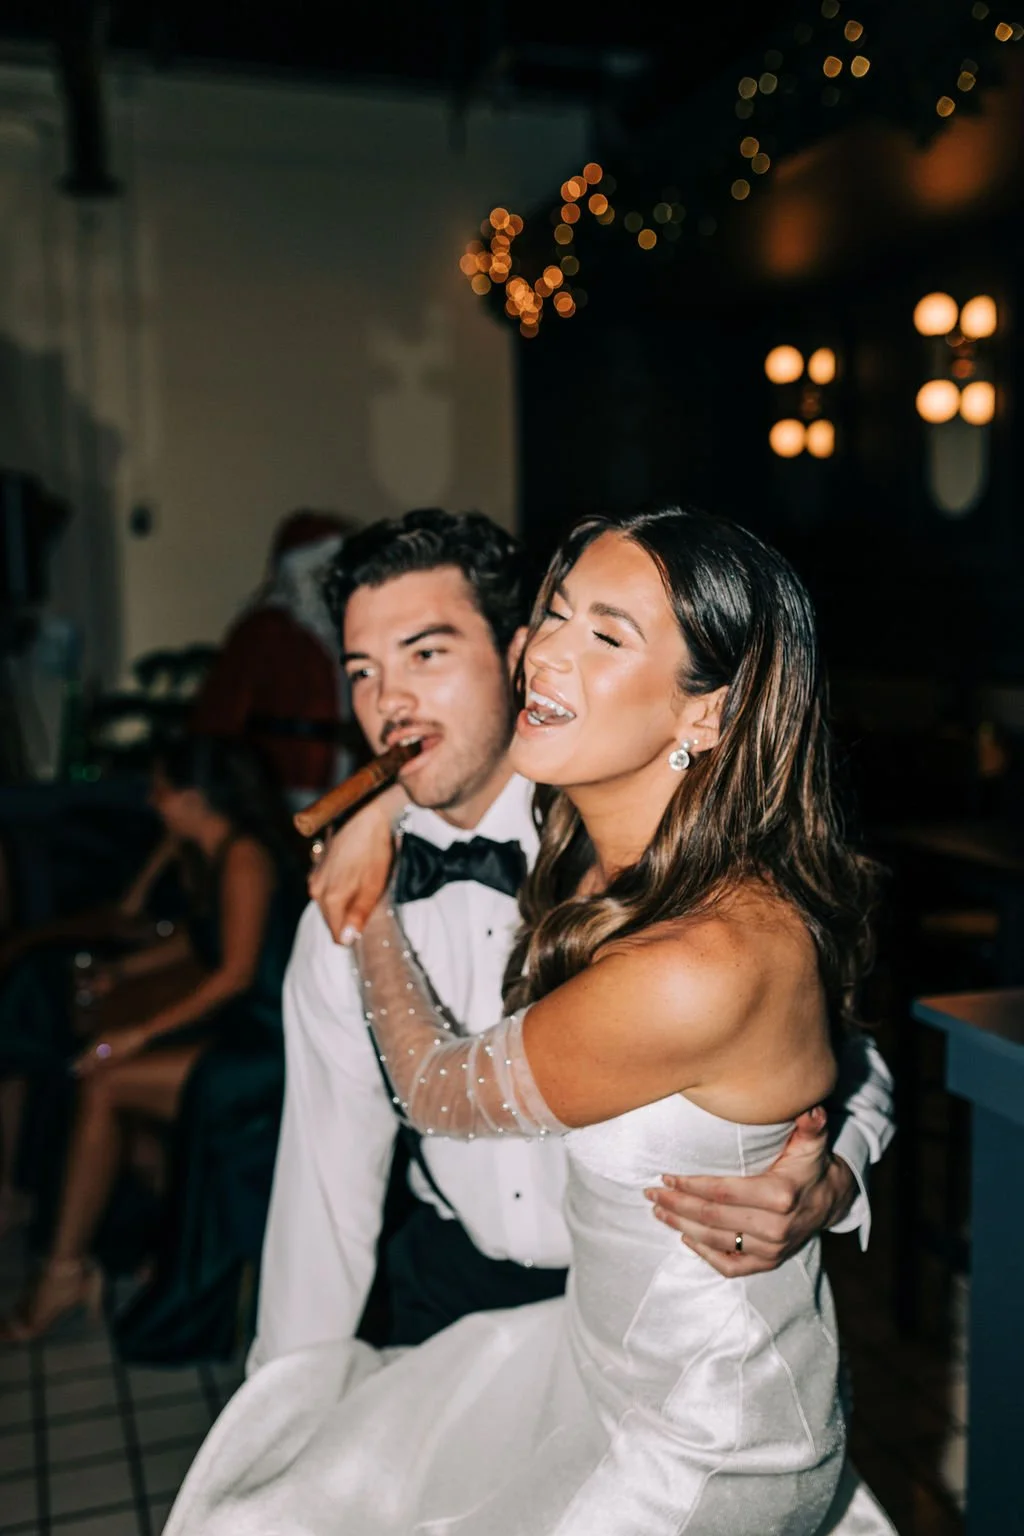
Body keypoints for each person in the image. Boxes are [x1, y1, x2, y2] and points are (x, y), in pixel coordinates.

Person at [169, 507, 895, 1533]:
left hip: (662, 1386)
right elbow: (322, 1194)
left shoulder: (640, 848)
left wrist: (830, 1176)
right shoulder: (353, 903)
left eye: (426, 652)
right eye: (363, 670)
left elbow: (837, 1053)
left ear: (502, 653)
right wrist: (282, 1406)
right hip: (465, 1321)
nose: (389, 701)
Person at [0, 735, 304, 1342]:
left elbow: (234, 975)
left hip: (270, 1050)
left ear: (195, 799)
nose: (153, 800)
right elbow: (198, 940)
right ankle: (161, 1237)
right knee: (105, 1085)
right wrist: (120, 974)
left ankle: (66, 1270)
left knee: (107, 1082)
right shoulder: (215, 852)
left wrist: (137, 1034)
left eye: (162, 788)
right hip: (244, 1032)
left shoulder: (245, 857)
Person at [191, 509, 360, 809]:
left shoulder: (347, 631)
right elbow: (222, 714)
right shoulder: (264, 629)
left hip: (342, 778)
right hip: (279, 784)